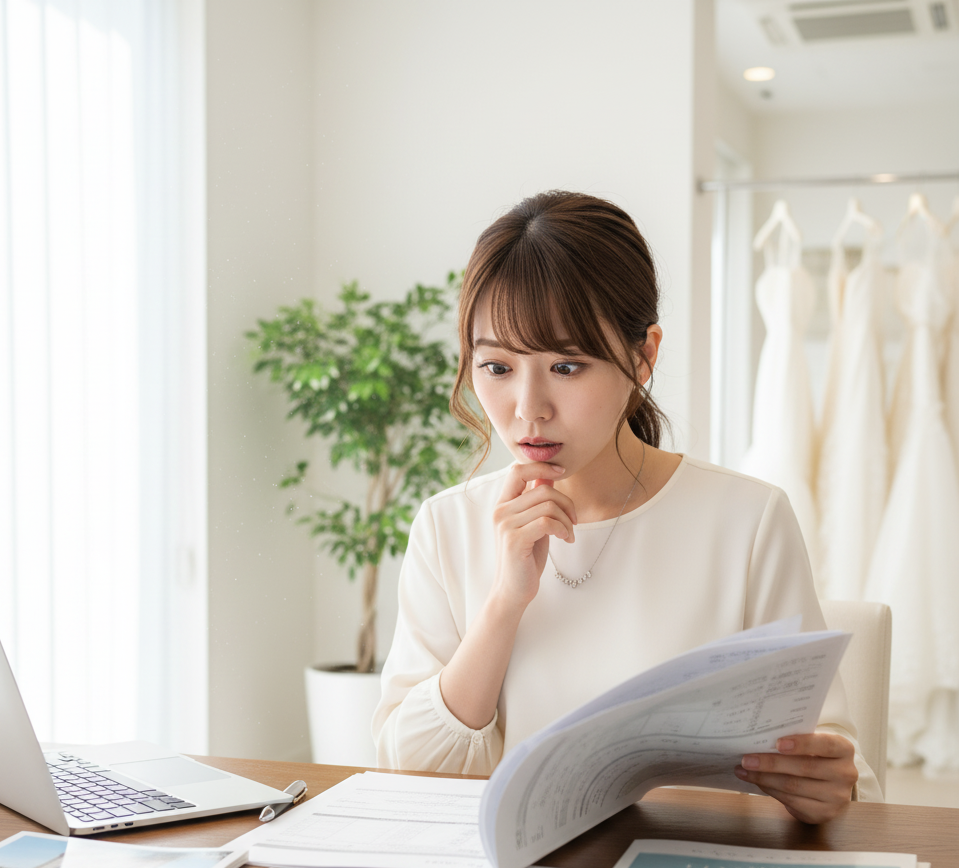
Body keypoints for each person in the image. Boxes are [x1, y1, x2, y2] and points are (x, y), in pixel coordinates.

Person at [372, 191, 882, 822]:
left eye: (565, 365)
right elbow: (409, 771)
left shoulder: (747, 521)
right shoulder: (447, 526)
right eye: (497, 367)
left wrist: (829, 783)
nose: (529, 408)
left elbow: (837, 766)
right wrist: (505, 602)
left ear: (644, 356)